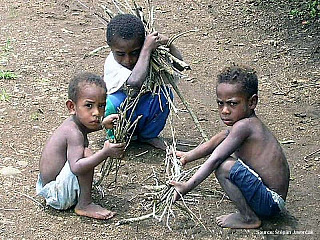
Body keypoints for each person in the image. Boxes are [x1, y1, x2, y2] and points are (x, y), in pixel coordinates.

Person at [170, 65, 290, 229]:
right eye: (220, 103)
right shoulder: (243, 126)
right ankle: (250, 209)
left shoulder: (245, 126)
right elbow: (213, 143)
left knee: (224, 167)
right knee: (226, 156)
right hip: (270, 199)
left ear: (252, 102)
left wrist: (187, 186)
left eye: (232, 104)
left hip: (270, 202)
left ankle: (249, 218)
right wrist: (188, 156)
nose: (225, 110)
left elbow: (216, 158)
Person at [36, 72, 125, 220]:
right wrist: (105, 153)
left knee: (85, 154)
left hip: (50, 189)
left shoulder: (74, 125)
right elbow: (76, 167)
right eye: (89, 105)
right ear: (72, 107)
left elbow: (86, 128)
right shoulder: (73, 133)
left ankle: (81, 197)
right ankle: (84, 204)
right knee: (86, 154)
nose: (97, 112)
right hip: (57, 195)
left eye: (101, 106)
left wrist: (103, 124)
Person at [103, 14, 184, 150]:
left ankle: (148, 135)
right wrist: (146, 49)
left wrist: (169, 44)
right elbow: (135, 82)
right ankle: (115, 138)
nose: (128, 60)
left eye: (134, 52)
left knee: (165, 94)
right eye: (121, 54)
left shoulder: (150, 58)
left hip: (142, 109)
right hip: (120, 112)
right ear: (110, 48)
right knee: (108, 104)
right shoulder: (112, 64)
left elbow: (179, 67)